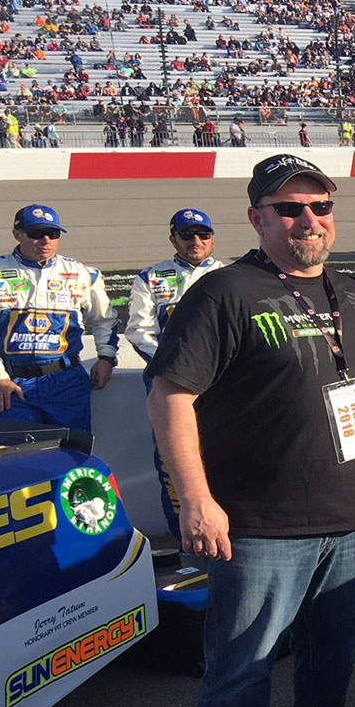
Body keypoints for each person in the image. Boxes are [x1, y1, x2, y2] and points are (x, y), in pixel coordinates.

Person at [145, 153, 355, 707]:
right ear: (256, 217)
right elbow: (170, 394)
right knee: (239, 673)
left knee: (333, 657)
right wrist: (195, 498)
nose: (306, 220)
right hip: (257, 523)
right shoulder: (223, 292)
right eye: (288, 209)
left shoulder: (352, 292)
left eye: (318, 206)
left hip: (348, 517)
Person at [0, 204, 118, 431]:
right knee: (14, 459)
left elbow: (104, 320)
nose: (45, 240)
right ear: (17, 234)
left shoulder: (83, 273)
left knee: (71, 457)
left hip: (67, 382)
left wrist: (106, 357)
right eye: (36, 234)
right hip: (12, 383)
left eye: (52, 234)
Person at [124, 208, 223, 539]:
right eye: (187, 235)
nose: (196, 241)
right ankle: (185, 539)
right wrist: (175, 369)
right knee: (173, 461)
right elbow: (139, 331)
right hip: (170, 385)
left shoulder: (231, 275)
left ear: (212, 237)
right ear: (173, 239)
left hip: (221, 383)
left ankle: (230, 531)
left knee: (224, 455)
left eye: (203, 234)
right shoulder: (151, 277)